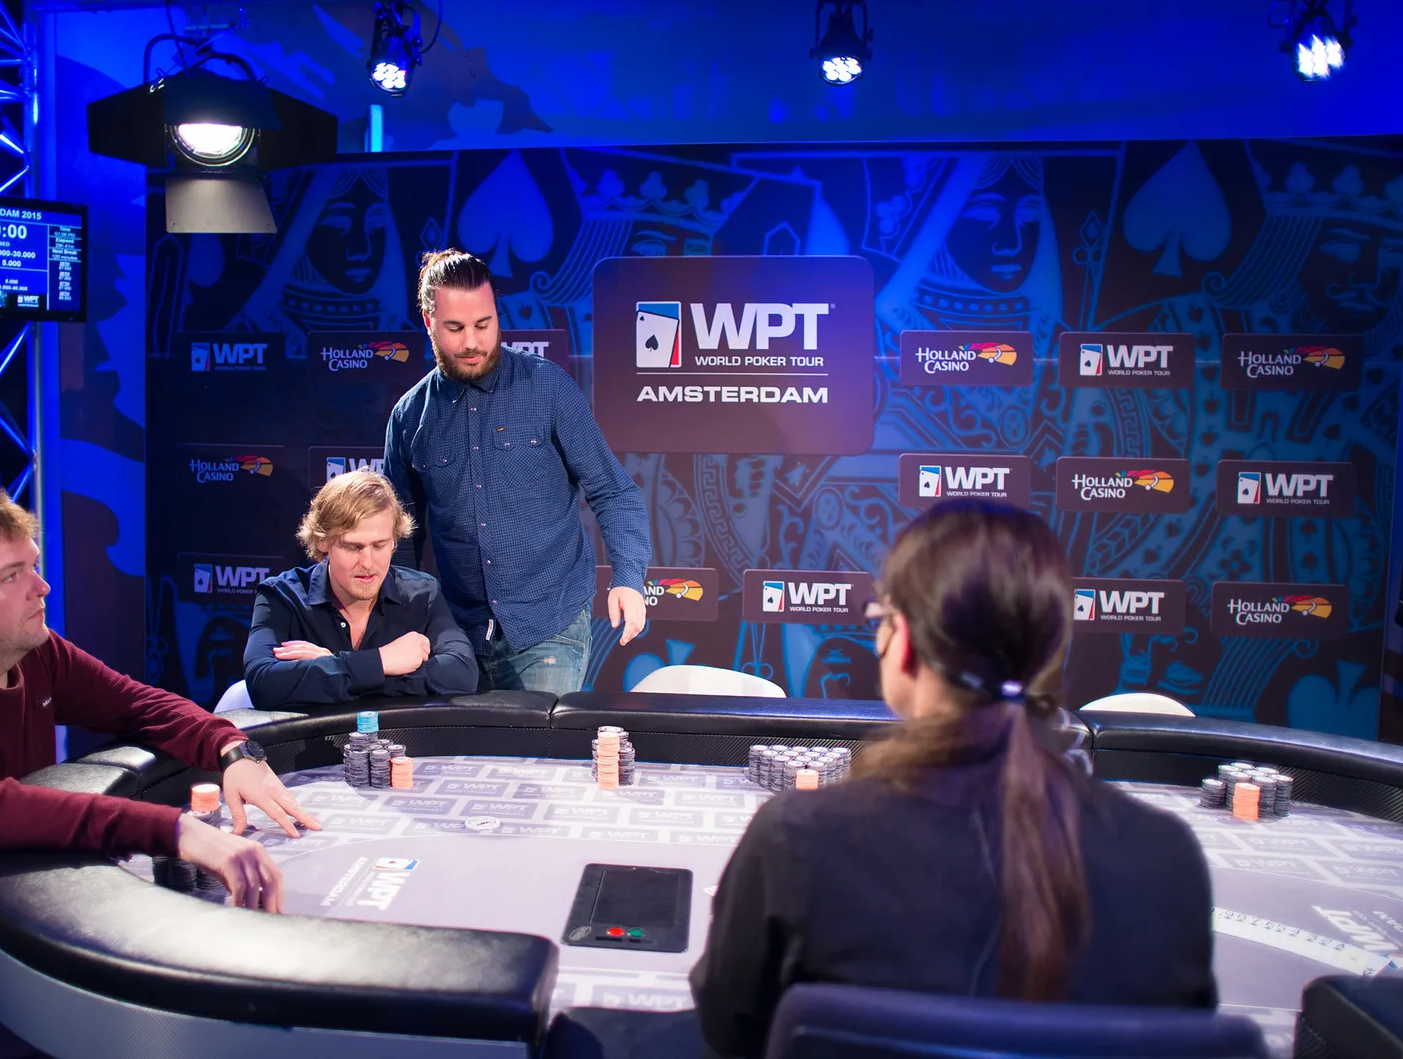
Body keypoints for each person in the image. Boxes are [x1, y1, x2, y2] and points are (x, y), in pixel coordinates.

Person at [0, 486, 319, 1059]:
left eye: (33, 565)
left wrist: (232, 749)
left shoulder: (31, 649)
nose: (41, 587)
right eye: (10, 576)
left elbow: (139, 704)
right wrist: (175, 830)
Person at [689, 500, 1217, 1056]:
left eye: (880, 618)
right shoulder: (1170, 857)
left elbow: (728, 1031)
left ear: (903, 640)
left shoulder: (794, 839)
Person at [383, 249, 651, 695]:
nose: (472, 341)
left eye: (484, 324)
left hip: (549, 624)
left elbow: (614, 492)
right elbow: (400, 535)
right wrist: (402, 621)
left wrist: (627, 578)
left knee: (538, 743)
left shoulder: (548, 387)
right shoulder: (410, 416)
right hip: (455, 635)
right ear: (429, 322)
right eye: (455, 328)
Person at [243, 469, 477, 707]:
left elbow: (462, 673)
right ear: (323, 542)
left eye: (379, 545)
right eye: (353, 547)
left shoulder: (423, 594)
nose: (367, 562)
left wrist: (336, 667)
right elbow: (263, 684)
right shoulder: (281, 597)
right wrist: (382, 661)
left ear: (394, 541)